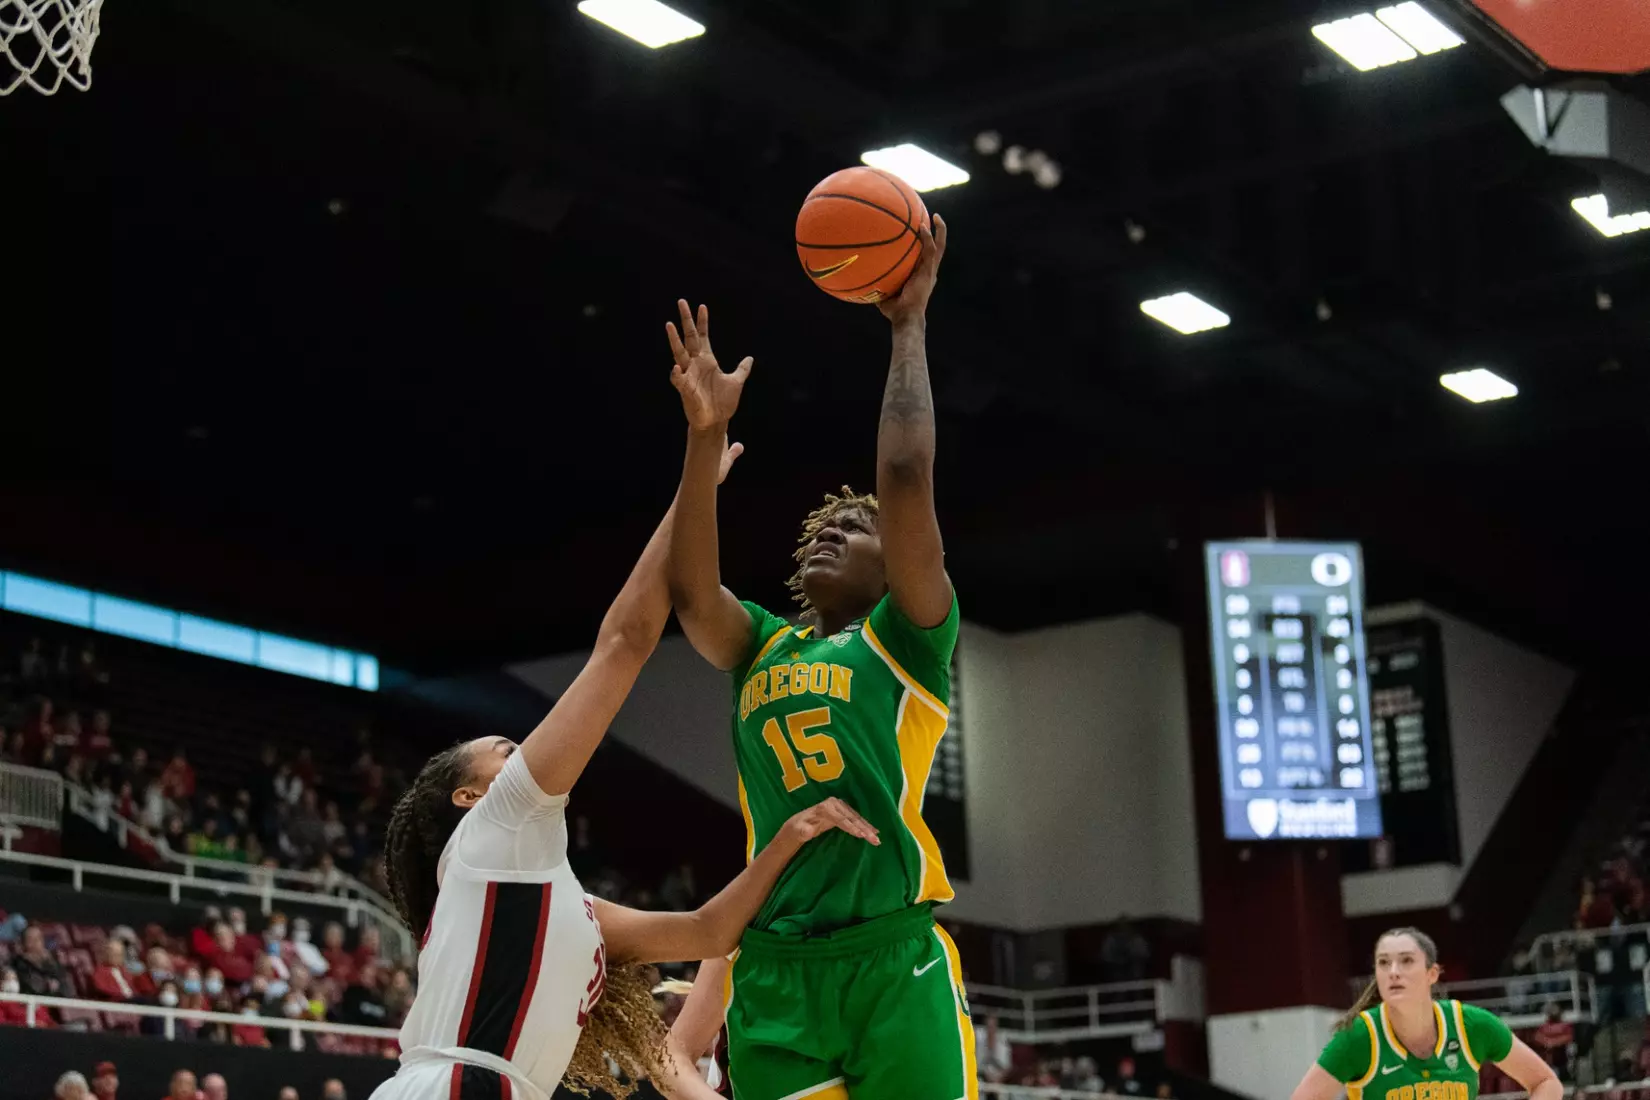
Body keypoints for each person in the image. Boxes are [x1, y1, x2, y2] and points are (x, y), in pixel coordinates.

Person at [373, 447, 879, 1100]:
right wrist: (695, 475)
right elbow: (625, 641)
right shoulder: (494, 830)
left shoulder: (554, 901)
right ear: (470, 796)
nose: (524, 749)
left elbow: (708, 933)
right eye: (504, 747)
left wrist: (791, 835)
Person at [666, 217, 972, 1100]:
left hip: (889, 954)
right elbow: (691, 595)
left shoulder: (907, 639)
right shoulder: (760, 643)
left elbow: (907, 477)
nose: (831, 530)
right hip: (772, 965)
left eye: (855, 524)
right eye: (820, 527)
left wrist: (907, 325)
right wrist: (701, 436)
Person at [1289, 926, 1562, 1100]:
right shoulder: (1359, 1038)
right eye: (1383, 963)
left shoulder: (1473, 1025)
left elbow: (1546, 1082)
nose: (1393, 970)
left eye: (1406, 960)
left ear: (1432, 974)